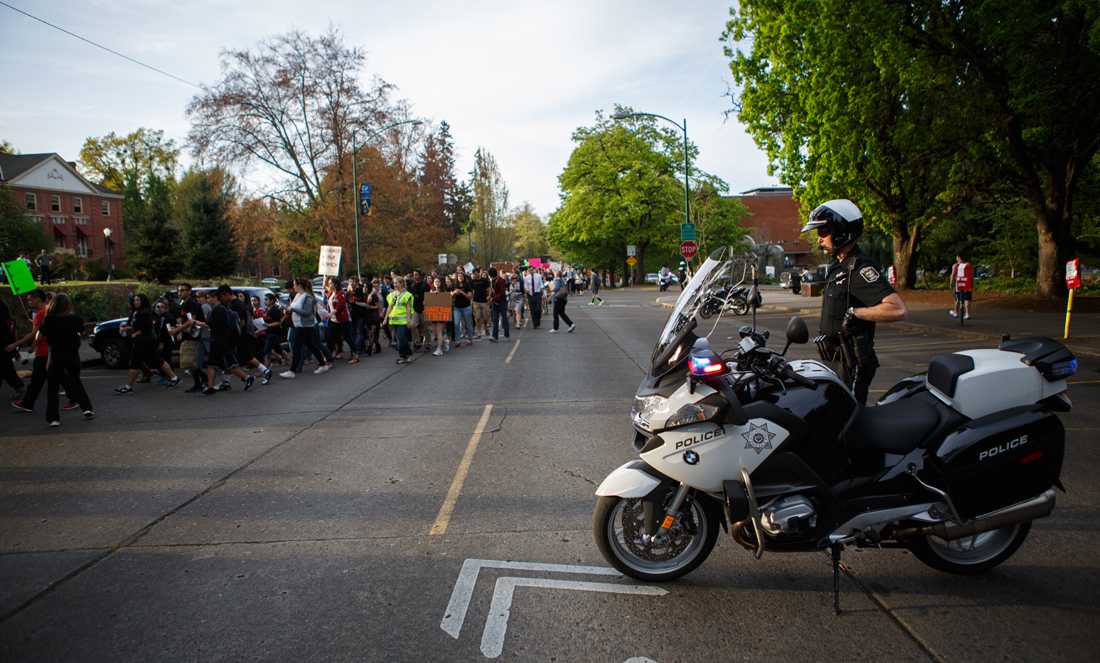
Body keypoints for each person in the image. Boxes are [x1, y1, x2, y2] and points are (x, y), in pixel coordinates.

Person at [802, 199, 907, 405]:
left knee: (850, 417)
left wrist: (857, 313)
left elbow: (897, 309)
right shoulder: (838, 267)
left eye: (823, 232)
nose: (819, 239)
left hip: (853, 361)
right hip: (836, 359)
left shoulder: (860, 268)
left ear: (841, 231)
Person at [38, 293, 94, 426]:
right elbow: (82, 332)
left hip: (56, 356)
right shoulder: (75, 319)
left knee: (53, 388)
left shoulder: (49, 320)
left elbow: (39, 337)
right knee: (76, 382)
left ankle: (53, 418)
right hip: (72, 355)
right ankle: (86, 408)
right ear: (68, 305)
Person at [114, 294, 179, 393]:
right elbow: (130, 323)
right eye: (135, 300)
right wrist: (125, 327)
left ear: (143, 301)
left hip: (145, 341)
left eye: (138, 300)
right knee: (157, 360)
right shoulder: (135, 312)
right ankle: (174, 378)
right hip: (141, 341)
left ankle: (128, 386)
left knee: (134, 363)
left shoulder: (146, 313)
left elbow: (144, 328)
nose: (136, 302)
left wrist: (130, 330)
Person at [8, 289, 49, 412]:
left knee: (37, 379)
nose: (29, 302)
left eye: (30, 299)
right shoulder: (47, 310)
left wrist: (14, 344)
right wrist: (33, 345)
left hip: (44, 351)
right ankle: (81, 403)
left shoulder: (40, 314)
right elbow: (39, 333)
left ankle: (27, 403)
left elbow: (33, 334)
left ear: (38, 299)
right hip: (49, 349)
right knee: (45, 378)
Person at [282, 279, 331, 379]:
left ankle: (292, 371)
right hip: (299, 325)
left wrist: (292, 309)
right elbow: (294, 308)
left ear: (300, 285)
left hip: (304, 326)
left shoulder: (307, 297)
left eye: (295, 284)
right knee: (311, 346)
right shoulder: (298, 295)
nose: (294, 286)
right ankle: (323, 365)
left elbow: (307, 312)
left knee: (297, 347)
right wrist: (287, 310)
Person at [387, 276, 415, 364]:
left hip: (403, 321)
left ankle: (407, 354)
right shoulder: (392, 294)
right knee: (399, 340)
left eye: (396, 283)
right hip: (394, 320)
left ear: (402, 283)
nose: (395, 284)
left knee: (401, 338)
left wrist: (409, 320)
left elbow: (408, 309)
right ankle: (404, 356)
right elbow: (390, 307)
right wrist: (385, 318)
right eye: (394, 283)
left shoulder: (407, 295)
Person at [0, 300, 25, 399]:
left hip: (3, 342)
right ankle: (19, 387)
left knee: (6, 367)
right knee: (6, 368)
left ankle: (19, 387)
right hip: (5, 342)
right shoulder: (2, 304)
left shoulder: (1, 306)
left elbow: (4, 325)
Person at [451, 271, 474, 346]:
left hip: (466, 307)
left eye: (461, 276)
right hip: (457, 307)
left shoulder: (467, 285)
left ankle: (470, 339)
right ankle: (457, 341)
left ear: (464, 277)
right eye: (459, 276)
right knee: (456, 324)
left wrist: (462, 292)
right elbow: (450, 295)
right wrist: (454, 292)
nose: (460, 277)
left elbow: (470, 297)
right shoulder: (454, 285)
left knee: (468, 324)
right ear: (457, 277)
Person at [428, 277, 450, 357]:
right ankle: (445, 340)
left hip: (441, 313)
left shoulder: (444, 291)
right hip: (433, 313)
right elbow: (428, 303)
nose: (436, 283)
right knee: (435, 332)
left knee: (439, 331)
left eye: (438, 281)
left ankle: (439, 349)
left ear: (441, 283)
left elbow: (447, 303)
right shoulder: (431, 291)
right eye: (435, 281)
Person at [488, 267, 510, 342]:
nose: (491, 277)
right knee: (495, 320)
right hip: (495, 303)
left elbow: (502, 293)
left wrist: (493, 298)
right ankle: (495, 336)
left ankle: (506, 332)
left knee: (504, 318)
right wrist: (490, 296)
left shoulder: (501, 281)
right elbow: (492, 290)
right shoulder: (492, 281)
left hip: (502, 302)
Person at [549, 269, 575, 334]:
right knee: (562, 313)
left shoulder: (557, 280)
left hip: (558, 299)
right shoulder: (563, 280)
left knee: (555, 314)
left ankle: (555, 328)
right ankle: (571, 324)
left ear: (556, 274)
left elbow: (555, 288)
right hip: (563, 299)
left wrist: (550, 285)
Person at [949, 253, 973, 320]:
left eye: (956, 257)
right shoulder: (968, 265)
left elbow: (953, 275)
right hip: (967, 285)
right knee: (967, 299)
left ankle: (956, 312)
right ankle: (967, 314)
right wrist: (971, 285)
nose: (956, 258)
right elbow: (971, 276)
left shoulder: (955, 265)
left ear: (959, 257)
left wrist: (951, 284)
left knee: (957, 299)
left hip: (958, 285)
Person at [470, 267, 491, 338]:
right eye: (474, 274)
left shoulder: (484, 280)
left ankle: (486, 328)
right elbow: (471, 291)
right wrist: (471, 300)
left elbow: (489, 289)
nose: (475, 275)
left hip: (484, 301)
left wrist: (489, 296)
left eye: (476, 273)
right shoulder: (472, 281)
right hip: (476, 301)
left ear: (479, 273)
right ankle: (479, 332)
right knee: (477, 318)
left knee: (485, 317)